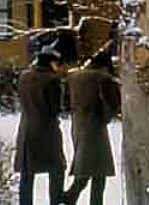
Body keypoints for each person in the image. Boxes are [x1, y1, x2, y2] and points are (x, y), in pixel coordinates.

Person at [64, 50, 120, 205]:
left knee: (86, 166)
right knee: (99, 171)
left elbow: (65, 103)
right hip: (95, 127)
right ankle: (87, 200)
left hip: (77, 125)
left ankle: (70, 196)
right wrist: (106, 116)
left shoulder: (74, 77)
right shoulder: (104, 78)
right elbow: (113, 104)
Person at [14, 45, 68, 205]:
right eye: (57, 64)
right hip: (46, 130)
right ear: (51, 63)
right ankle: (55, 201)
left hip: (26, 128)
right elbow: (55, 108)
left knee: (27, 171)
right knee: (57, 168)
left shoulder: (24, 77)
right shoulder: (52, 80)